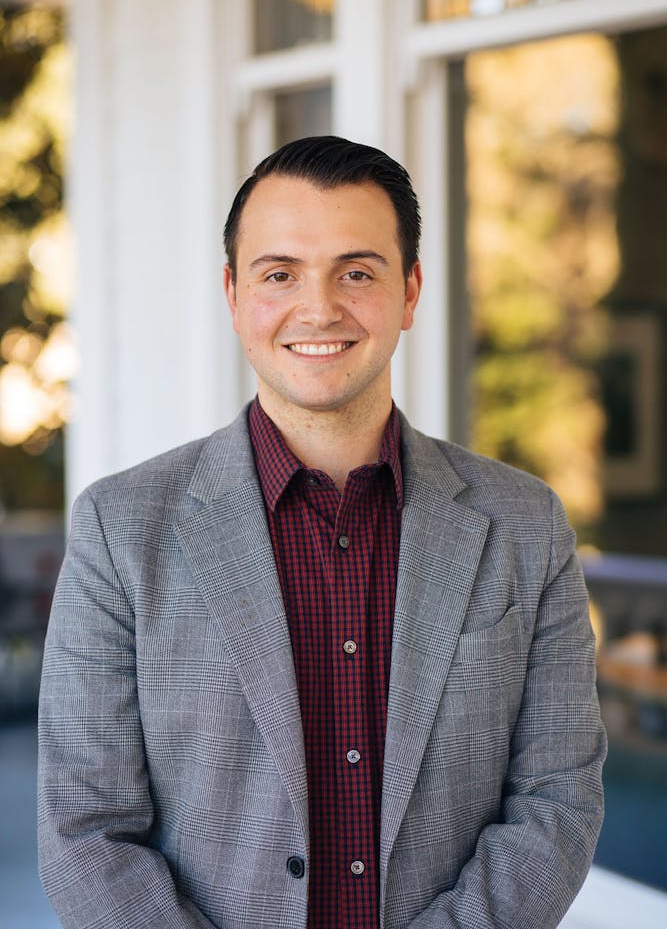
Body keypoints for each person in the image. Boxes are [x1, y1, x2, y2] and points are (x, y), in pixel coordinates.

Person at [38, 136, 606, 929]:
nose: (319, 308)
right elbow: (86, 830)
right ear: (234, 295)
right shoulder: (120, 528)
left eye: (357, 272)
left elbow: (556, 798)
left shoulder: (523, 523)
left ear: (409, 292)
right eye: (280, 275)